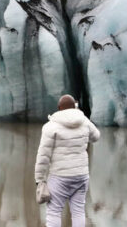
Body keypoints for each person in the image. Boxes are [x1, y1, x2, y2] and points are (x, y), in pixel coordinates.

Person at [34, 95, 100, 227]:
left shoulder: (50, 126)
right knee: (78, 211)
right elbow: (96, 137)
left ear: (59, 108)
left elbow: (43, 156)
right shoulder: (84, 122)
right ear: (74, 107)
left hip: (60, 176)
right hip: (81, 175)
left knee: (54, 211)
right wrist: (82, 118)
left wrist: (39, 179)